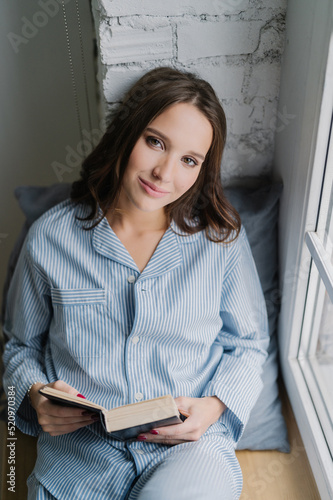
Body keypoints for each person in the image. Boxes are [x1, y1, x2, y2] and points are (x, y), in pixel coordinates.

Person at [3, 67, 269, 500]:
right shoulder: (51, 237)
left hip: (188, 449)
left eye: (189, 160)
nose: (165, 173)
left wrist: (214, 407)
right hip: (78, 460)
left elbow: (249, 344)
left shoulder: (220, 242)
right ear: (127, 135)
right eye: (155, 142)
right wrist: (35, 396)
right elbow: (20, 347)